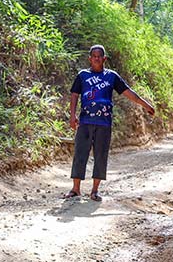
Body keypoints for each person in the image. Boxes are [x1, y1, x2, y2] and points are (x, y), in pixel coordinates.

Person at [64, 44, 155, 201]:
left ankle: (94, 191)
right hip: (85, 121)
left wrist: (145, 105)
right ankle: (76, 189)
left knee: (101, 155)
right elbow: (74, 95)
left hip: (104, 123)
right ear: (90, 59)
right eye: (94, 56)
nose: (97, 59)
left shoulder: (111, 76)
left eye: (99, 56)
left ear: (104, 58)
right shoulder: (82, 76)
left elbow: (128, 92)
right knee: (80, 153)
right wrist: (72, 116)